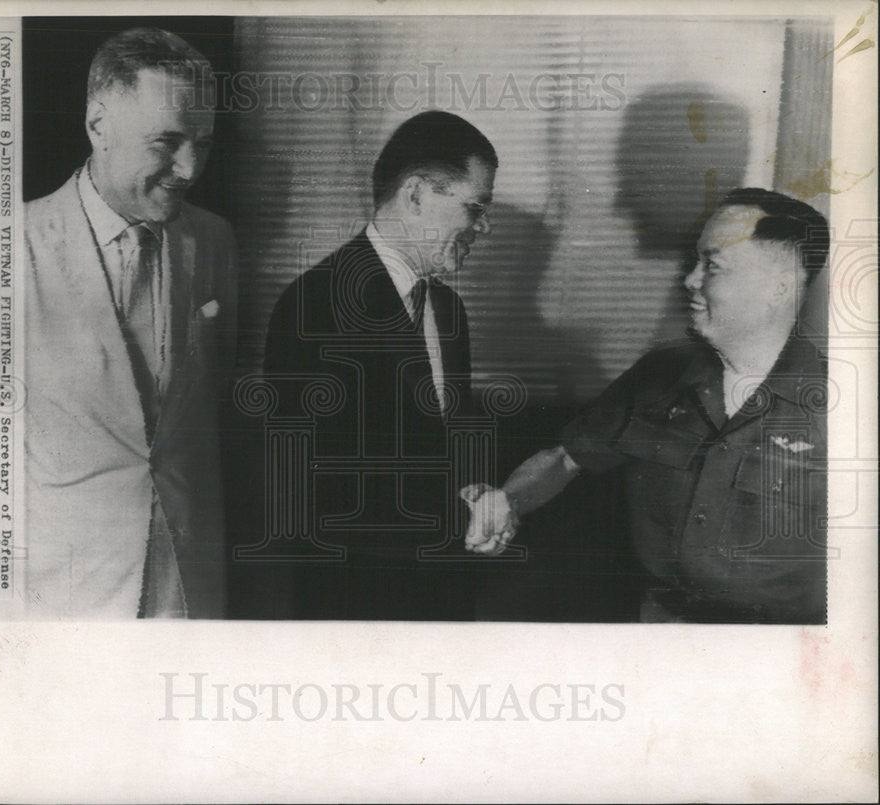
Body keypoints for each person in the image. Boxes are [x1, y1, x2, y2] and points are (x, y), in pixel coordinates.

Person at [463, 188, 829, 624]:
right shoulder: (661, 375)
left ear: (779, 285)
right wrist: (510, 501)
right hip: (654, 632)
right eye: (696, 261)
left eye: (712, 265)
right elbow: (566, 457)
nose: (691, 279)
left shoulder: (842, 409)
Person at [23, 28, 237, 618]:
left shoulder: (214, 242)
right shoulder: (2, 247)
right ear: (98, 126)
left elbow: (211, 401)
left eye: (203, 144)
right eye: (166, 142)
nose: (188, 167)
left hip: (188, 591)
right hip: (58, 600)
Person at [262, 111, 497, 619]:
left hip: (442, 590)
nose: (483, 226)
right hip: (353, 601)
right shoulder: (312, 305)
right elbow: (310, 485)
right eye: (475, 207)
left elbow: (451, 437)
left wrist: (478, 494)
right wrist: (460, 515)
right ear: (415, 194)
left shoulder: (449, 310)